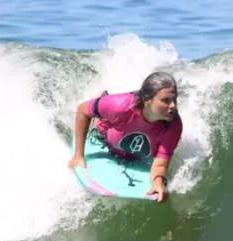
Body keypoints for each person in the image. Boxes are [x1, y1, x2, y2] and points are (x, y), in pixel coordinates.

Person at [68, 71, 183, 203]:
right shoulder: (121, 106)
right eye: (166, 101)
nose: (173, 106)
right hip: (102, 134)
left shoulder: (173, 126)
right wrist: (78, 155)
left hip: (134, 154)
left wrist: (158, 181)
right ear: (147, 100)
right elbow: (82, 111)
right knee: (97, 117)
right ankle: (102, 98)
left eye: (174, 99)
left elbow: (160, 164)